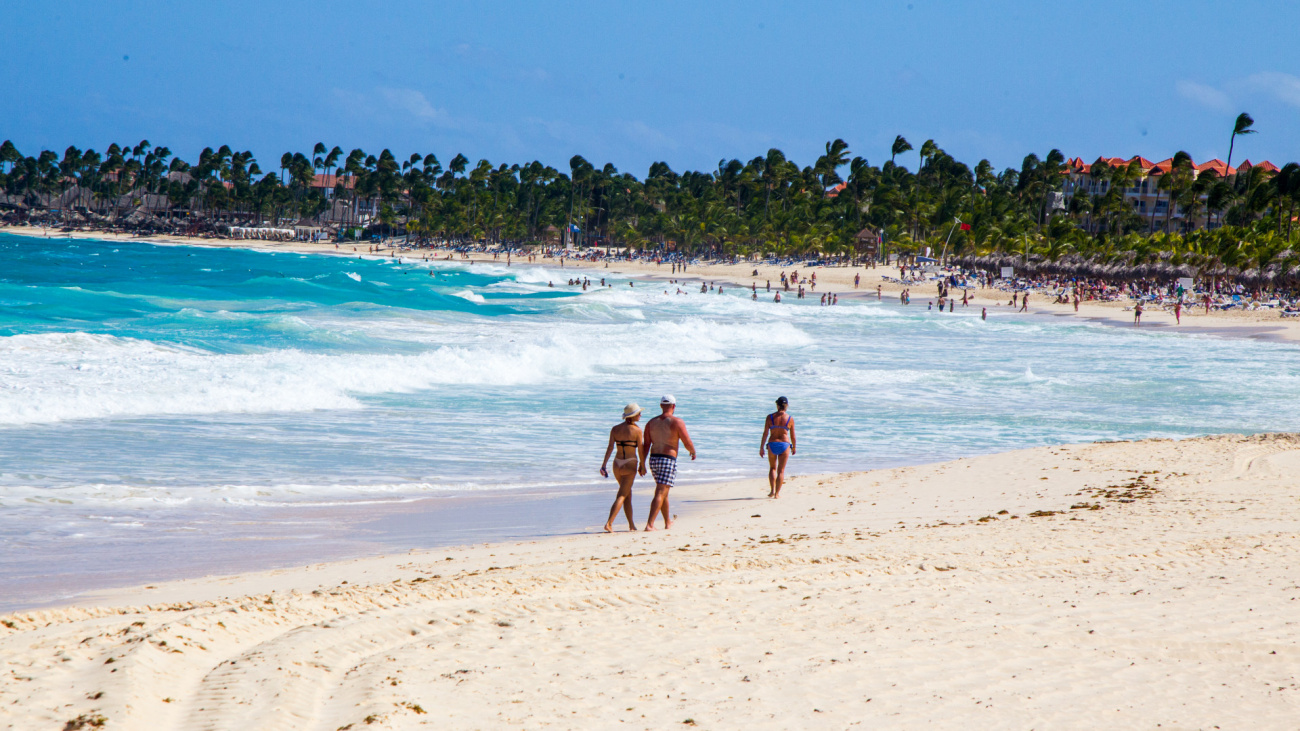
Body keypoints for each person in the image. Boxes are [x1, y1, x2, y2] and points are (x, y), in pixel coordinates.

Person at [641, 395, 696, 531]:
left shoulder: (651, 422)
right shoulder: (677, 422)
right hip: (667, 459)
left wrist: (642, 463)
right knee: (660, 491)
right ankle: (650, 524)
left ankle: (667, 522)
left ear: (661, 406)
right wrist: (693, 451)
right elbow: (686, 440)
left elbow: (646, 445)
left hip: (653, 459)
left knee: (663, 491)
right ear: (674, 406)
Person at [600, 404, 645, 532]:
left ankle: (631, 525)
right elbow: (641, 450)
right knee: (622, 495)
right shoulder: (637, 430)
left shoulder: (615, 429)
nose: (640, 415)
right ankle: (609, 523)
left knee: (627, 494)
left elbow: (610, 448)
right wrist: (642, 465)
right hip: (630, 463)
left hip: (617, 463)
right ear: (633, 416)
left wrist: (603, 465)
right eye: (638, 413)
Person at [760, 397, 797, 498]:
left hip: (772, 444)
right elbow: (793, 436)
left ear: (777, 405)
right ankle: (777, 494)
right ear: (786, 406)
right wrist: (794, 447)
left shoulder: (770, 417)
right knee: (781, 470)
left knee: (772, 468)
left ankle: (772, 491)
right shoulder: (790, 418)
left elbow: (765, 433)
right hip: (785, 445)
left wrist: (761, 447)